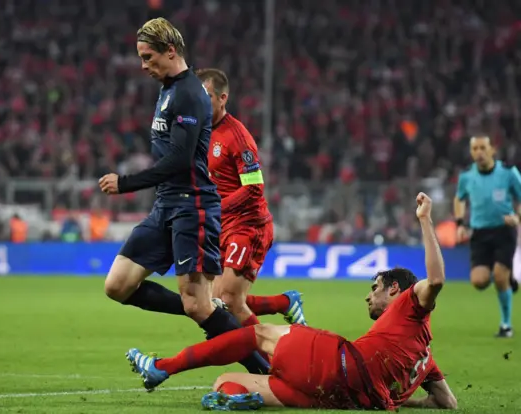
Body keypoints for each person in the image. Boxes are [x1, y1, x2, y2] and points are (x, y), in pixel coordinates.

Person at [127, 193, 458, 411]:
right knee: (226, 383)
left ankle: (161, 368)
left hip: (339, 363)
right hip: (341, 400)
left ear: (395, 290)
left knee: (257, 336)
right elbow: (447, 403)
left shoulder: (412, 305)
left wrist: (424, 219)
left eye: (376, 288)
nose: (369, 295)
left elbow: (437, 279)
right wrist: (400, 401)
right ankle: (242, 398)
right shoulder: (425, 358)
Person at [98, 18, 268, 374]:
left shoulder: (190, 93)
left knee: (198, 306)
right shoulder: (167, 89)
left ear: (170, 51)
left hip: (192, 207)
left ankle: (264, 372)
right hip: (166, 205)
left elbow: (179, 159)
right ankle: (211, 312)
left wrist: (126, 183)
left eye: (148, 57)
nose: (143, 65)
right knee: (117, 285)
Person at [195, 67, 306, 327]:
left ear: (222, 98)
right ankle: (284, 304)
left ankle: (274, 358)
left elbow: (254, 188)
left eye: (207, 96)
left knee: (229, 300)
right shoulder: (198, 132)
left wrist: (215, 209)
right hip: (220, 225)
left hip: (248, 224)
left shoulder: (238, 137)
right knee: (212, 303)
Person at [454, 136, 521, 338]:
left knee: (499, 277)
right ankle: (507, 278)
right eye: (475, 148)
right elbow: (459, 198)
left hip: (503, 230)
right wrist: (459, 223)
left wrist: (517, 217)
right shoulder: (466, 177)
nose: (479, 152)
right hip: (480, 233)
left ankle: (506, 325)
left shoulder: (508, 173)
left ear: (492, 150)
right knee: (479, 281)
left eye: (483, 147)